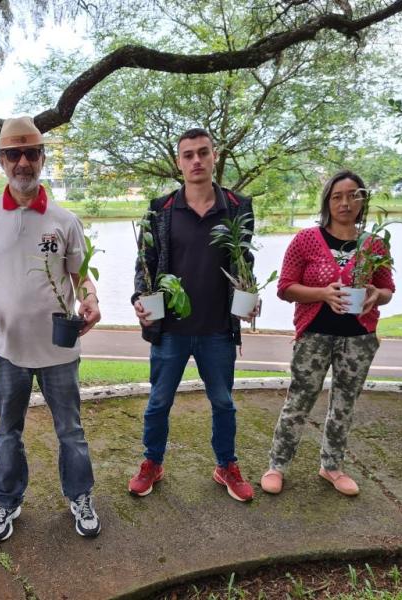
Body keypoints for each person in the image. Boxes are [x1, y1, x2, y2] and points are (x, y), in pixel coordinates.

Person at [0, 116, 102, 542]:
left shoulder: (64, 220)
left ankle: (79, 496)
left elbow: (81, 276)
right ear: (2, 161)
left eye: (31, 153)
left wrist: (91, 300)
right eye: (13, 154)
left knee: (72, 432)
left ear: (43, 158)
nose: (22, 163)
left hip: (59, 350)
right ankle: (7, 502)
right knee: (8, 431)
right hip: (6, 346)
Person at [128, 127, 257, 503]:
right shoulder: (161, 208)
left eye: (203, 152)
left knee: (223, 402)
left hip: (218, 328)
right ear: (178, 162)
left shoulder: (236, 205)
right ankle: (152, 462)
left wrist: (249, 295)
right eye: (188, 155)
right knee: (158, 402)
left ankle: (226, 465)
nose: (196, 160)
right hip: (171, 330)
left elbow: (243, 260)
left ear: (215, 156)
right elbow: (145, 264)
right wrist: (140, 298)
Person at [260, 170, 395, 496]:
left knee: (344, 404)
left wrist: (376, 294)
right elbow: (285, 288)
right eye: (337, 196)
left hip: (359, 337)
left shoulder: (374, 243)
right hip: (314, 335)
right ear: (327, 202)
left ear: (363, 200)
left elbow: (388, 290)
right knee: (299, 401)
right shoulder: (306, 240)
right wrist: (322, 293)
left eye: (353, 195)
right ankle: (277, 465)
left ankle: (331, 466)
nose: (345, 203)